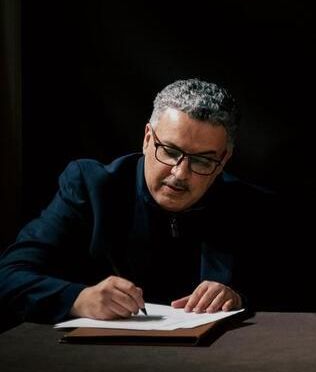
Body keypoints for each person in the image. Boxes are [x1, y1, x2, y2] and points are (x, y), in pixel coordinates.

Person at [0, 78, 266, 323]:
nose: (179, 173)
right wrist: (78, 299)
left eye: (202, 160)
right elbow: (8, 277)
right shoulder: (90, 187)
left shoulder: (251, 206)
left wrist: (238, 299)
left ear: (223, 160)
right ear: (148, 139)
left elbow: (286, 293)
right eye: (170, 151)